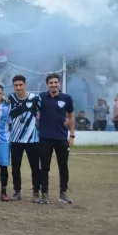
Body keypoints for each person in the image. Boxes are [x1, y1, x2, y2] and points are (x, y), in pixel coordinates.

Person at [38, 73, 75, 204]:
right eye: (51, 83)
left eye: (55, 82)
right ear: (47, 84)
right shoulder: (41, 97)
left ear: (59, 83)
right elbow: (33, 111)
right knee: (44, 168)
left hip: (61, 138)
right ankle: (44, 193)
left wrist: (71, 136)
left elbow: (71, 117)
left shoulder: (67, 98)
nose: (53, 85)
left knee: (63, 167)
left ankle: (63, 193)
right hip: (44, 138)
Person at [7, 75, 42, 202]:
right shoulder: (10, 98)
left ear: (25, 84)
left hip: (32, 139)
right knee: (16, 167)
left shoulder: (35, 98)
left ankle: (36, 192)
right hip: (15, 139)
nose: (18, 88)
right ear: (13, 86)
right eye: (16, 85)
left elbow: (47, 112)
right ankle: (17, 192)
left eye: (20, 85)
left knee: (35, 167)